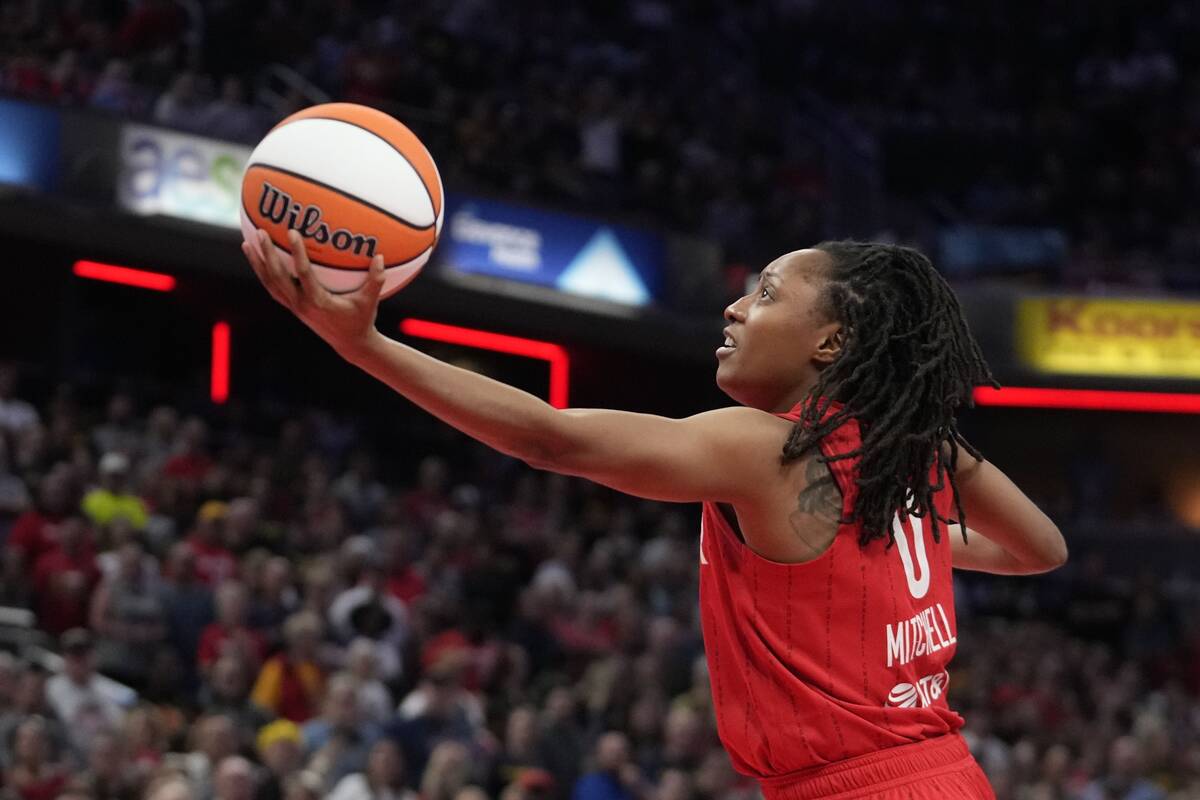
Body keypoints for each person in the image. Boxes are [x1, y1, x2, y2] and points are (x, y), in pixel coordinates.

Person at [244, 231, 1069, 798]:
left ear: (831, 343)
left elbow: (552, 438)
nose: (736, 309)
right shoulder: (913, 453)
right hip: (950, 775)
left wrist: (365, 346)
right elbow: (1040, 549)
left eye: (769, 293)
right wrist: (898, 543)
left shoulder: (764, 447)